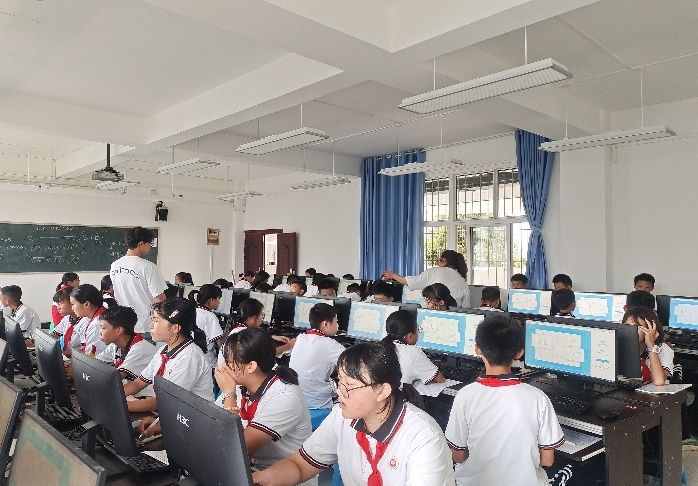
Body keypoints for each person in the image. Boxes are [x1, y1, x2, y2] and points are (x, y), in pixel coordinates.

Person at [252, 341, 455, 485]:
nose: (339, 393)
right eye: (338, 382)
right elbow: (301, 464)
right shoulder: (341, 416)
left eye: (348, 386)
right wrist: (259, 480)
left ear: (382, 391)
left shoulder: (423, 437)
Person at [446, 314, 563, 485]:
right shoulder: (538, 398)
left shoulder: (465, 396)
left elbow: (458, 455)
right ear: (519, 353)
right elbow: (547, 460)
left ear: (477, 349)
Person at [215, 328, 315, 484]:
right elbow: (214, 423)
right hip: (249, 468)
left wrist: (229, 394)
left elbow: (236, 446)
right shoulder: (240, 386)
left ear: (251, 366)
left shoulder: (285, 396)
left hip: (279, 477)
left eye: (229, 362)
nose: (223, 367)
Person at [125, 298, 213, 417]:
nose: (150, 326)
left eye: (156, 321)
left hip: (191, 420)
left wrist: (123, 405)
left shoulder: (190, 357)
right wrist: (116, 395)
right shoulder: (163, 351)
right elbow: (138, 383)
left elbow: (166, 400)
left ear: (175, 328)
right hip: (171, 413)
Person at [110, 226, 167, 335]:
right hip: (145, 325)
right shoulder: (148, 267)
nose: (150, 247)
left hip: (123, 323)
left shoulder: (115, 265)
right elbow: (159, 298)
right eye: (150, 244)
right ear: (141, 243)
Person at [289, 303, 345, 409]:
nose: (338, 325)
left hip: (297, 401)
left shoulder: (300, 338)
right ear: (325, 324)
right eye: (336, 321)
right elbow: (353, 363)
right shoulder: (330, 345)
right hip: (318, 405)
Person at [96, 306, 157, 396]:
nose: (100, 332)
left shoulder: (139, 349)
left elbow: (116, 377)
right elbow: (96, 362)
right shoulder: (115, 345)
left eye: (103, 328)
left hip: (145, 397)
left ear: (119, 330)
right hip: (130, 393)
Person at [382, 249, 469, 308]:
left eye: (439, 259)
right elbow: (465, 308)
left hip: (432, 315)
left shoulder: (434, 271)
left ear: (443, 260)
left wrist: (392, 275)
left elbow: (412, 282)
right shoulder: (463, 282)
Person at [221, 298, 294, 362]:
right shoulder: (247, 334)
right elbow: (268, 353)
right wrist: (289, 345)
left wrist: (271, 337)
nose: (262, 318)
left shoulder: (236, 328)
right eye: (261, 315)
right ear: (252, 318)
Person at [383, 310, 444, 385]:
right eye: (417, 329)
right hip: (398, 393)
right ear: (410, 336)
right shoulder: (413, 352)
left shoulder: (380, 347)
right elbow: (440, 379)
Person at [622, 307, 673, 386]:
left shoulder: (663, 349)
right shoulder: (621, 344)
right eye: (627, 326)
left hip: (651, 392)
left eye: (637, 327)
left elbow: (659, 381)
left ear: (651, 329)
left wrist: (651, 346)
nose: (631, 331)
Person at [190, 284, 225, 369]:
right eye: (218, 299)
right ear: (211, 300)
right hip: (207, 361)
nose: (219, 302)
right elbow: (220, 343)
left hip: (193, 358)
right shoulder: (210, 316)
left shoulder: (193, 311)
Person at [70, 284, 107, 356]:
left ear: (87, 304)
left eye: (73, 304)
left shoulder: (98, 324)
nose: (72, 308)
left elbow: (92, 357)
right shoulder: (89, 318)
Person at [51, 287, 85, 356]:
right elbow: (53, 335)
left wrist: (61, 354)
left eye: (60, 303)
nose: (58, 308)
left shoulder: (84, 321)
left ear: (72, 302)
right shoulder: (67, 318)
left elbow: (85, 350)